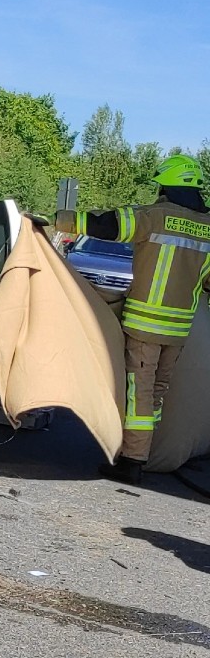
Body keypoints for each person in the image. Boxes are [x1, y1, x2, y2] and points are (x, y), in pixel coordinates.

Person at [55, 153, 210, 484]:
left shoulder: (156, 216)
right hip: (178, 331)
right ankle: (143, 452)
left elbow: (108, 224)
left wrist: (61, 220)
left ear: (167, 187)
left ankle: (132, 461)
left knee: (138, 393)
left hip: (145, 326)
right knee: (156, 393)